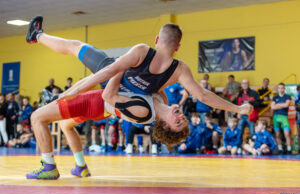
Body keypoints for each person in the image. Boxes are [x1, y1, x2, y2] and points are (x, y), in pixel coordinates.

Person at [26, 16, 252, 128]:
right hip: (116, 95)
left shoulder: (143, 51)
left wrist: (70, 91)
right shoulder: (179, 69)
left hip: (111, 80)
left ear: (157, 40)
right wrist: (237, 108)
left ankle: (37, 36)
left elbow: (106, 72)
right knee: (91, 68)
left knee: (75, 47)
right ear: (178, 47)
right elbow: (203, 96)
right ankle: (37, 37)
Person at [26, 71, 189, 180]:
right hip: (101, 110)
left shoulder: (149, 111)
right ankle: (80, 166)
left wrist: (119, 67)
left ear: (166, 126)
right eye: (183, 118)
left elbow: (114, 91)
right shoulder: (158, 108)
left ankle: (48, 166)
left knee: (37, 117)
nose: (181, 115)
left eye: (179, 121)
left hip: (97, 102)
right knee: (66, 126)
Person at [271, 83, 291, 154]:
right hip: (276, 117)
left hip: (284, 117)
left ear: (284, 88)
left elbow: (286, 105)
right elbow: (272, 107)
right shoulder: (274, 98)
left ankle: (289, 149)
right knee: (277, 134)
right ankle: (280, 149)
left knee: (287, 134)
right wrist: (282, 105)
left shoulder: (287, 97)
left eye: (282, 88)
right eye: (279, 88)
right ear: (278, 89)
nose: (281, 89)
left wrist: (277, 105)